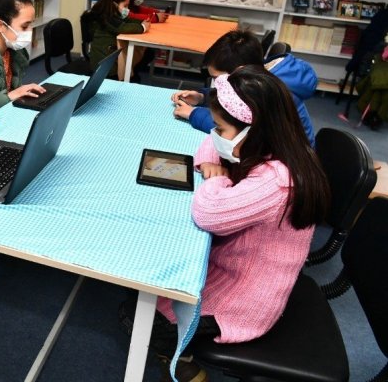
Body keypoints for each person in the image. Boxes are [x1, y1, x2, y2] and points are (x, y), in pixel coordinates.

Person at [122, 66, 330, 381]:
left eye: (220, 128)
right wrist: (215, 154)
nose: (215, 135)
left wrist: (215, 180)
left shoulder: (276, 182)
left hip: (245, 301)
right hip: (237, 269)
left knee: (136, 314)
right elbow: (213, 148)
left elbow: (208, 213)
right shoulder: (276, 148)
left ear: (254, 131)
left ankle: (181, 361)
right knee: (146, 286)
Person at [171, 29, 318, 146]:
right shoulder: (258, 76)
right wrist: (202, 97)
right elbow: (233, 99)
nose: (216, 84)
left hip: (291, 165)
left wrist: (194, 114)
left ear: (239, 72)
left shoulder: (265, 91)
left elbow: (236, 132)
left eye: (217, 79)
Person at [88, 0, 150, 81]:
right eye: (125, 6)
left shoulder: (113, 14)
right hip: (105, 67)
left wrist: (141, 22)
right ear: (114, 4)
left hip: (108, 57)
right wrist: (143, 27)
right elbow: (122, 27)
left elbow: (128, 20)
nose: (127, 9)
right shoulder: (107, 18)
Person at [120, 0, 168, 73]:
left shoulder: (130, 3)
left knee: (149, 52)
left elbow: (140, 10)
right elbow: (131, 16)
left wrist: (157, 12)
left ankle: (132, 71)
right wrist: (156, 17)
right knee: (148, 53)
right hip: (118, 41)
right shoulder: (120, 3)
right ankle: (130, 72)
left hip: (127, 35)